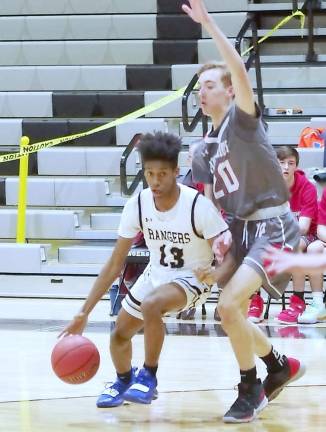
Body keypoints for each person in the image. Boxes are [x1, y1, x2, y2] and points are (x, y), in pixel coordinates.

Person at [183, 0, 305, 423]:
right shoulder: (202, 150)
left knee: (231, 304)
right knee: (226, 310)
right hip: (242, 232)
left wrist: (209, 24)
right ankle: (277, 365)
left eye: (211, 85)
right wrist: (214, 250)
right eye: (199, 88)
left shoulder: (243, 119)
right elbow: (212, 205)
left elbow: (238, 68)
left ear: (230, 91)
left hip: (275, 226)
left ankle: (248, 387)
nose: (203, 92)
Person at [59, 131, 229, 407]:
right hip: (156, 274)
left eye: (162, 174)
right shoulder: (137, 204)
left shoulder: (198, 206)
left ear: (176, 171)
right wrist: (83, 312)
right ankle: (124, 379)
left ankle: (149, 376)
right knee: (119, 335)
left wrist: (219, 277)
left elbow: (227, 255)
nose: (155, 181)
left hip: (194, 277)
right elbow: (115, 263)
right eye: (149, 173)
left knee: (151, 305)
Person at [248, 147, 321, 324]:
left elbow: (303, 228)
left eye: (291, 163)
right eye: (281, 163)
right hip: (275, 235)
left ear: (296, 166)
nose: (286, 167)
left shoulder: (307, 187)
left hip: (305, 236)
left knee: (295, 246)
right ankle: (255, 300)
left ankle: (298, 301)